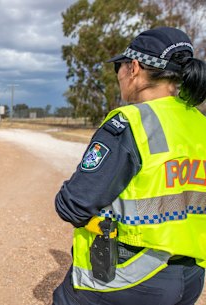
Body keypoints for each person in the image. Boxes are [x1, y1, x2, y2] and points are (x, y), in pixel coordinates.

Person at [52, 26, 206, 305]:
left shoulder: (130, 122)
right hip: (192, 275)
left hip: (131, 274)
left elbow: (73, 204)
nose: (119, 77)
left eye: (118, 69)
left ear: (133, 68)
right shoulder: (199, 123)